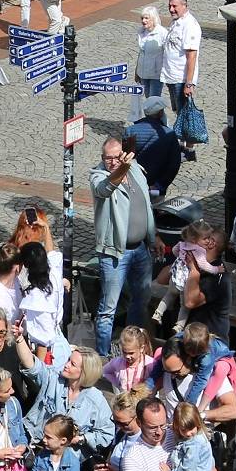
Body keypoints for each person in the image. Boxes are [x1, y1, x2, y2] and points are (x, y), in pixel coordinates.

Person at [91, 137, 153, 357]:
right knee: (108, 309)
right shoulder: (98, 175)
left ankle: (133, 348)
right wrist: (122, 168)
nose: (113, 162)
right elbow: (105, 189)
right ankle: (103, 356)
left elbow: (146, 205)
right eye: (108, 158)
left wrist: (153, 238)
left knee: (141, 300)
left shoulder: (135, 169)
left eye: (117, 157)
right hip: (114, 253)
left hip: (141, 249)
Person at [162, 0, 201, 158]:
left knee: (186, 114)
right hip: (172, 76)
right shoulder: (177, 22)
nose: (171, 9)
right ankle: (182, 144)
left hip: (181, 78)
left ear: (184, 6)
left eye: (174, 6)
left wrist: (189, 83)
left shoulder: (190, 25)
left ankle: (189, 150)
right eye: (170, 6)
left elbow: (191, 56)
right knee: (179, 112)